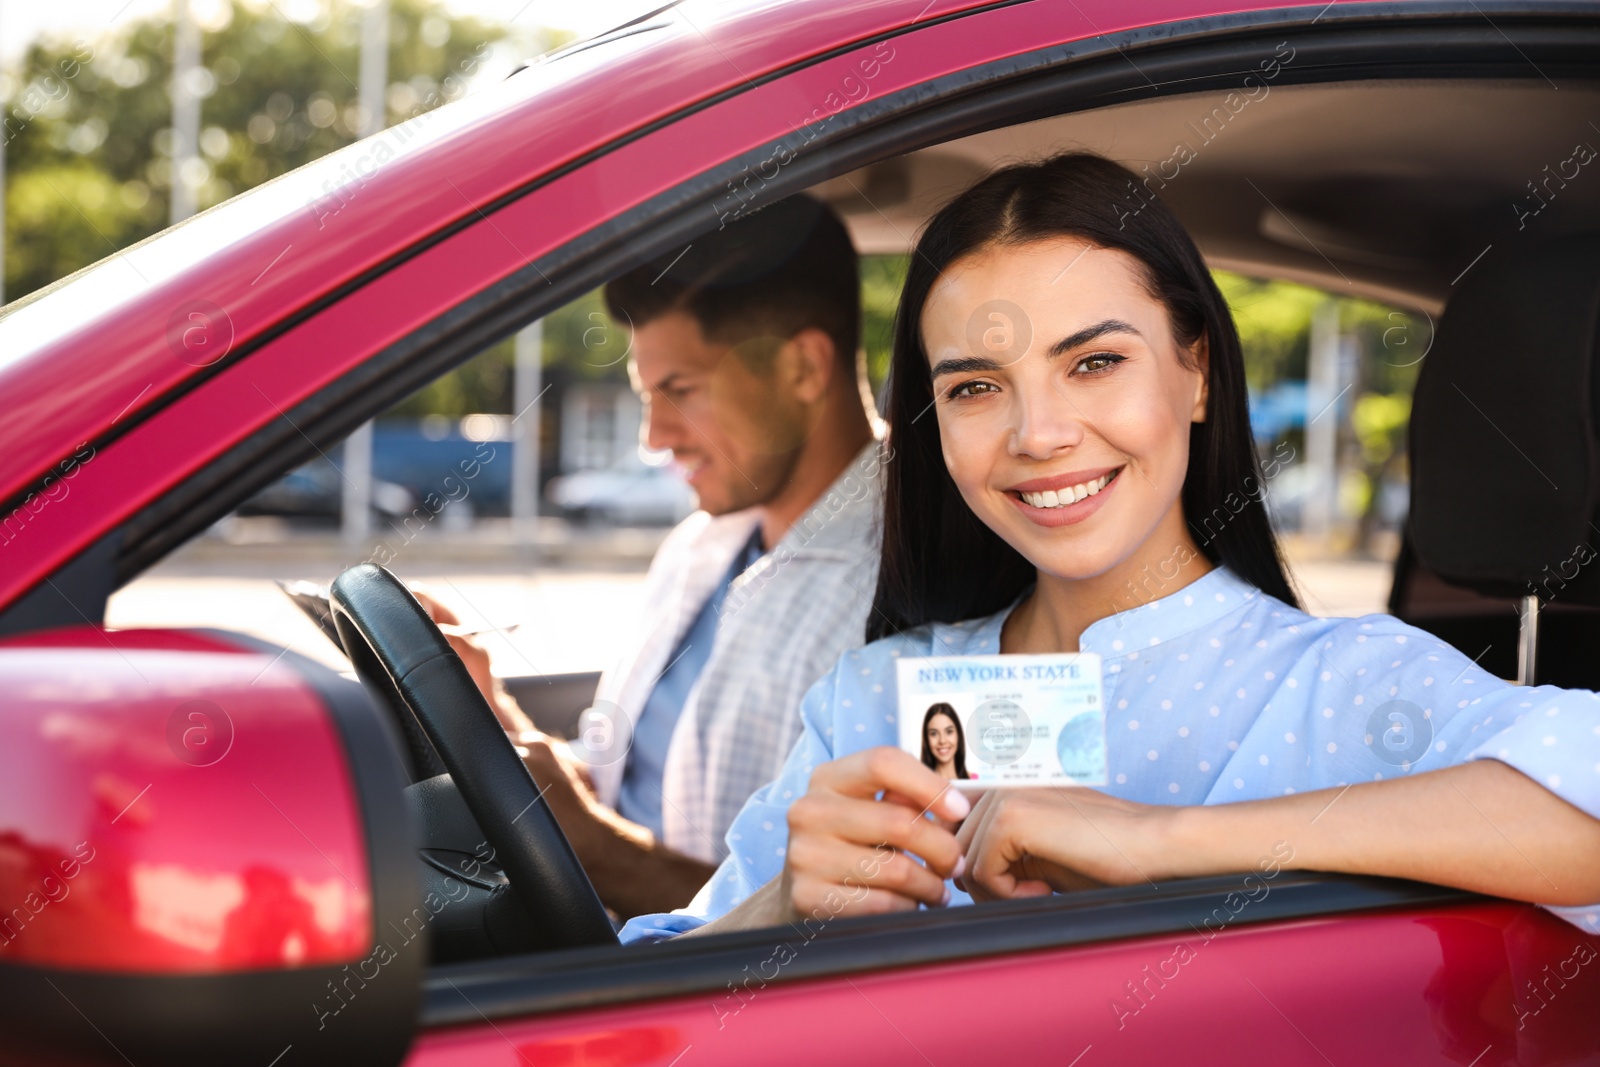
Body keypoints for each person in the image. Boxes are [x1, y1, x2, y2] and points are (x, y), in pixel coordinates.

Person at [619, 153, 1600, 943]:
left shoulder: (1339, 685)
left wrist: (1154, 839)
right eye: (973, 386)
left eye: (1094, 362)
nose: (1037, 433)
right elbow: (654, 1003)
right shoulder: (870, 700)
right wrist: (782, 903)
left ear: (1196, 372)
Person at [427, 195, 886, 918]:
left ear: (803, 367)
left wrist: (596, 848)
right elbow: (629, 792)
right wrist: (496, 718)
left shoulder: (901, 584)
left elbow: (799, 921)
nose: (655, 437)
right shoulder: (702, 544)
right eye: (648, 395)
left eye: (681, 391)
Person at [921, 703, 969, 780]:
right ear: (926, 739)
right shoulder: (918, 786)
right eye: (934, 733)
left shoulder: (976, 782)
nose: (942, 741)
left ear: (958, 735)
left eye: (949, 731)